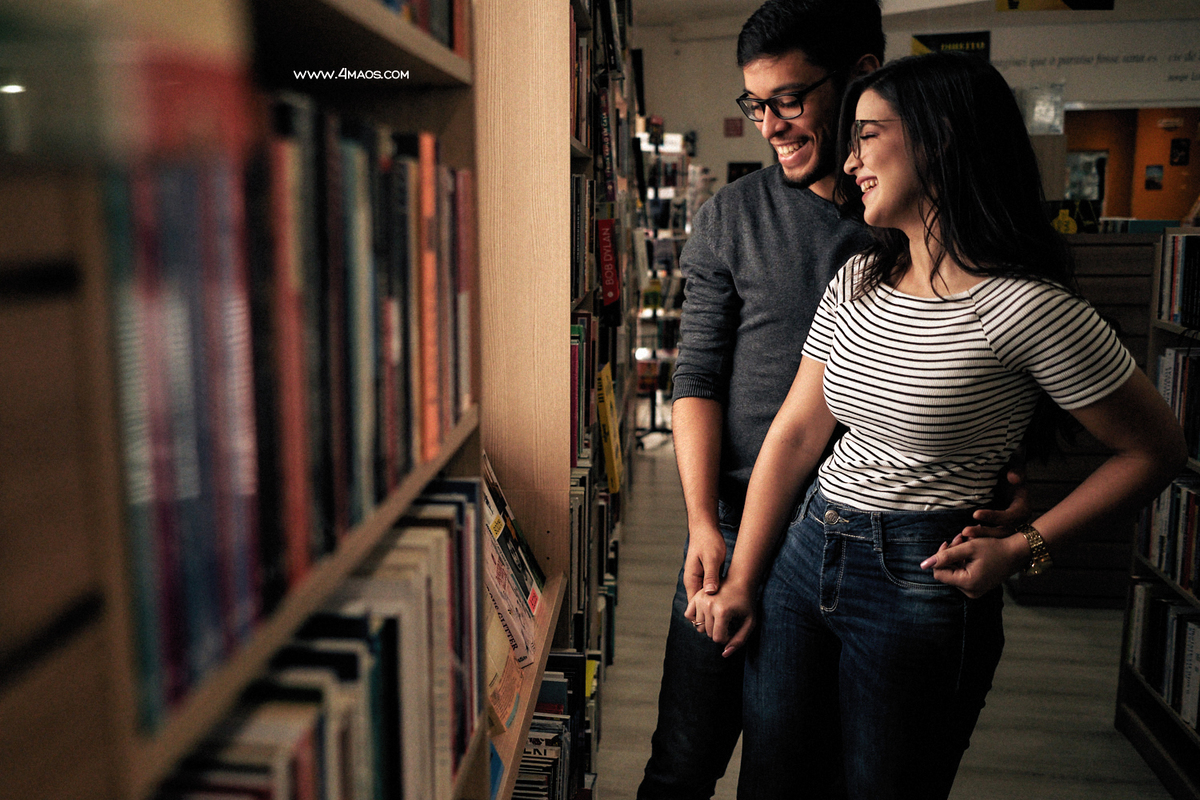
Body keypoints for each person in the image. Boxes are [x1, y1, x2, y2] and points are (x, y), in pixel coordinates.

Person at [687, 51, 1188, 800]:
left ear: (941, 138)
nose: (850, 159)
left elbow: (1155, 449)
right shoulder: (858, 275)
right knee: (772, 781)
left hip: (918, 578)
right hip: (805, 552)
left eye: (868, 135)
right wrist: (744, 580)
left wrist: (1026, 548)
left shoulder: (1028, 308)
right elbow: (795, 437)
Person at [637, 3, 1030, 798]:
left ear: (862, 77)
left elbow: (997, 354)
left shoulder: (924, 217)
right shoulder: (731, 219)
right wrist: (702, 523)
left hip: (873, 547)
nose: (770, 127)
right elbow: (698, 379)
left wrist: (1013, 469)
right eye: (756, 106)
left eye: (789, 100)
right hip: (739, 520)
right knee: (684, 758)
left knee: (797, 773)